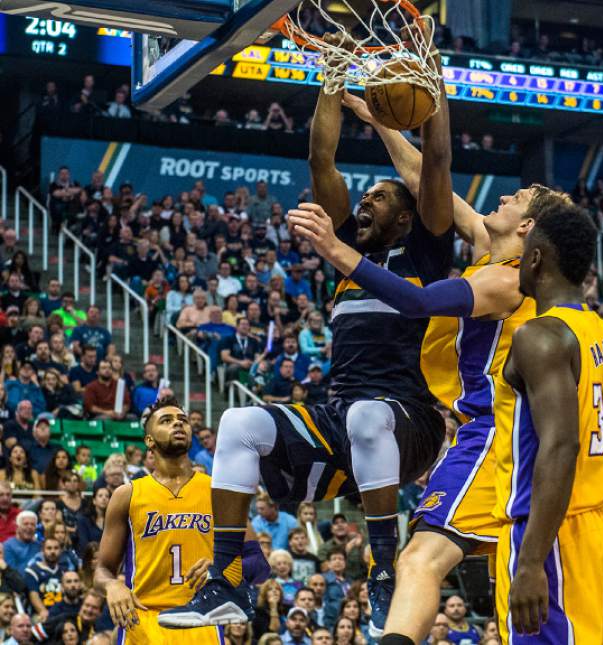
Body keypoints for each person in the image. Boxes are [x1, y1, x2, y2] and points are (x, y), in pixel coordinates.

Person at [161, 23, 456, 635]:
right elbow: (321, 157)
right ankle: (228, 583)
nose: (365, 205)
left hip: (412, 421)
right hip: (344, 418)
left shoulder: (426, 255)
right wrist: (333, 75)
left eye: (378, 198)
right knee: (239, 423)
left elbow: (438, 162)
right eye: (364, 199)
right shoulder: (347, 254)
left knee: (367, 415)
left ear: (407, 217)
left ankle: (383, 570)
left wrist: (432, 94)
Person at [300, 175, 575, 642]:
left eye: (517, 197)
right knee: (517, 586)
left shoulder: (504, 279)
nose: (502, 196)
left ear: (528, 226)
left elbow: (417, 300)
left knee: (419, 560)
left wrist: (335, 249)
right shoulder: (504, 259)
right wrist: (386, 120)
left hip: (496, 434)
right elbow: (429, 181)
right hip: (513, 435)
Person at [489, 204, 603, 643]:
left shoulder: (540, 335)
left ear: (535, 259)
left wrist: (531, 560)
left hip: (551, 536)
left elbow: (561, 447)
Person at [93, 394, 269, 643]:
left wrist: (221, 568)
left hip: (201, 622)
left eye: (182, 420)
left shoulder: (218, 492)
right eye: (166, 420)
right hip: (143, 624)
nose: (178, 424)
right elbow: (102, 570)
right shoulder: (127, 495)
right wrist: (112, 586)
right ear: (149, 440)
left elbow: (259, 565)